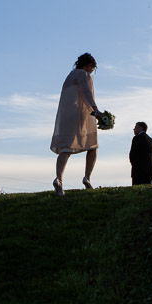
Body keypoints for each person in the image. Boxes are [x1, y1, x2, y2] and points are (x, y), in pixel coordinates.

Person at [50, 53, 103, 196]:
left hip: (66, 115)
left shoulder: (69, 76)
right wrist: (96, 110)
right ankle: (87, 177)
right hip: (81, 114)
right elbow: (87, 93)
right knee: (93, 145)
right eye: (92, 68)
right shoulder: (84, 75)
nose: (92, 71)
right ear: (88, 66)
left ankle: (59, 178)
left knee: (66, 148)